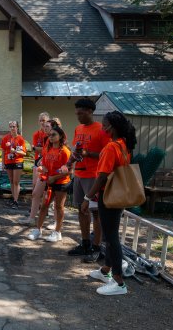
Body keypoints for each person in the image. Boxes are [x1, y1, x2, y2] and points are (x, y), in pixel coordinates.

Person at [81, 111, 137, 296]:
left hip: (109, 196)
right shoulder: (124, 145)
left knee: (111, 238)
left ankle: (119, 282)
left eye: (104, 124)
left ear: (111, 126)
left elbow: (101, 177)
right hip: (118, 196)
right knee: (110, 235)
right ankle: (106, 270)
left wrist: (87, 198)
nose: (102, 127)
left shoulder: (111, 147)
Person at [67, 98, 111, 262]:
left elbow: (106, 155)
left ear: (90, 111)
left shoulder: (101, 129)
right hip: (79, 174)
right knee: (81, 210)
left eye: (81, 113)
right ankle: (85, 243)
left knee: (95, 212)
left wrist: (88, 154)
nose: (78, 116)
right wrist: (73, 157)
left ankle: (97, 247)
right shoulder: (78, 128)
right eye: (77, 113)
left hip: (94, 177)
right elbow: (76, 149)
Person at [27, 124, 71, 242]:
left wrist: (55, 177)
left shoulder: (65, 152)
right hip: (49, 182)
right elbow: (45, 165)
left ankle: (57, 232)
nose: (50, 137)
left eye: (53, 135)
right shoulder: (48, 149)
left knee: (59, 206)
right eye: (49, 135)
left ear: (61, 136)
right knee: (44, 205)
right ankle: (38, 230)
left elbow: (69, 172)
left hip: (61, 183)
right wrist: (43, 169)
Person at [19, 118, 58, 226]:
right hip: (43, 171)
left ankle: (56, 223)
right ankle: (31, 219)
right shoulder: (46, 139)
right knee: (36, 193)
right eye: (44, 126)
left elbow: (60, 156)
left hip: (54, 174)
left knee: (55, 199)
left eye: (47, 127)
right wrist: (41, 163)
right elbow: (44, 154)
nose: (44, 128)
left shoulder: (57, 141)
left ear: (53, 128)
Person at [1, 121, 27, 209]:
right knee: (11, 181)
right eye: (11, 126)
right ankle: (13, 198)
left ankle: (16, 201)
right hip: (8, 161)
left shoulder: (20, 139)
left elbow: (24, 153)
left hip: (17, 161)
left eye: (14, 126)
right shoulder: (5, 138)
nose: (12, 128)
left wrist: (15, 151)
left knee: (16, 181)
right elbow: (3, 151)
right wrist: (2, 163)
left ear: (17, 127)